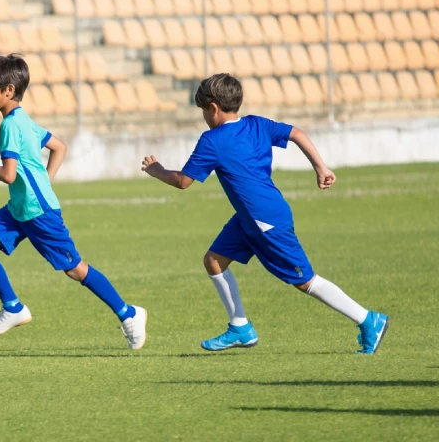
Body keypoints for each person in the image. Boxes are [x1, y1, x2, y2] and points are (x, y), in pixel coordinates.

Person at [140, 73, 388, 354]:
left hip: (265, 221)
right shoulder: (256, 124)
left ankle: (368, 320)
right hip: (251, 217)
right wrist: (321, 167)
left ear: (214, 108)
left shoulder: (212, 140)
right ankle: (240, 328)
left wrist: (155, 169)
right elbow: (296, 133)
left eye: (203, 111)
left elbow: (183, 181)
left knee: (305, 280)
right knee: (214, 261)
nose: (204, 117)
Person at [0, 54, 147, 349]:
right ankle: (13, 307)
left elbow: (10, 175)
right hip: (20, 208)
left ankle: (129, 314)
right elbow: (59, 147)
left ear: (9, 90)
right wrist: (44, 183)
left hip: (38, 213)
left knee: (74, 268)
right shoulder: (23, 120)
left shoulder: (10, 126)